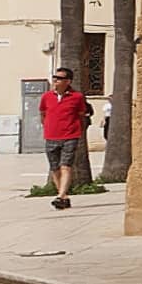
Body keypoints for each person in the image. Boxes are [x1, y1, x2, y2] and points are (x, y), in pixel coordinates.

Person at [38, 64, 91, 209]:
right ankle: (64, 196)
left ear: (68, 81)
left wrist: (77, 130)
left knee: (66, 166)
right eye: (54, 78)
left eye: (59, 78)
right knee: (54, 167)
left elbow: (81, 115)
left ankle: (60, 195)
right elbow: (43, 113)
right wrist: (48, 127)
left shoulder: (77, 97)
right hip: (51, 136)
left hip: (70, 135)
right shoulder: (46, 97)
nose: (56, 81)